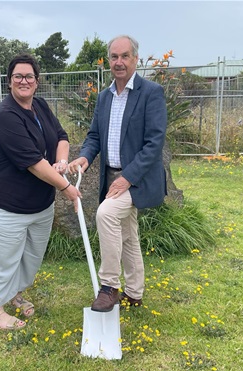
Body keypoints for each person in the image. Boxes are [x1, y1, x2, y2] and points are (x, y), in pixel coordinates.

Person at [0, 54, 81, 330]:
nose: (24, 81)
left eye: (29, 76)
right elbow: (33, 163)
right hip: (3, 202)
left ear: (37, 81)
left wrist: (62, 161)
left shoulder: (41, 106)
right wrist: (66, 187)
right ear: (10, 82)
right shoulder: (5, 117)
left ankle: (15, 294)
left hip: (39, 203)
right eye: (18, 76)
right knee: (3, 255)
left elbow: (61, 136)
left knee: (30, 255)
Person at [69, 35, 167, 312]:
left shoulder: (151, 93)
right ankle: (134, 292)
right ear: (108, 61)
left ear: (136, 58)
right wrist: (85, 159)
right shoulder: (104, 97)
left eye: (125, 56)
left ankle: (109, 286)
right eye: (114, 57)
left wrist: (128, 177)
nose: (119, 62)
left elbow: (154, 142)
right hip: (112, 177)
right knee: (127, 233)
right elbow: (94, 136)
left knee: (106, 214)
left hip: (138, 181)